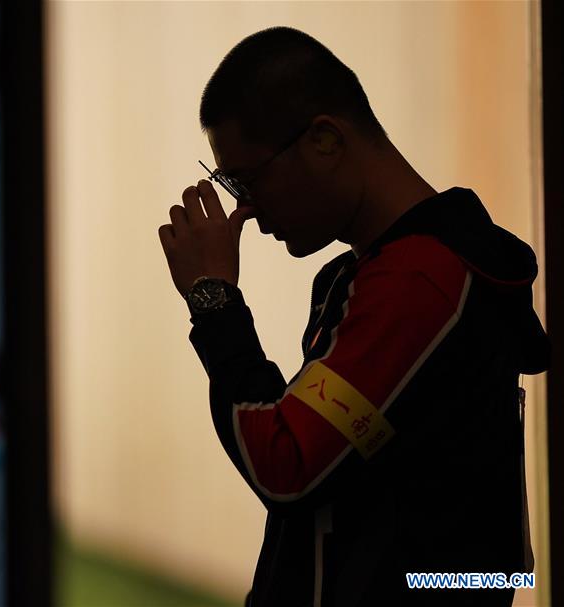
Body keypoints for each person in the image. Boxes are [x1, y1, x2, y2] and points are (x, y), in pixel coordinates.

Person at [157, 26, 551, 607]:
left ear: (324, 139)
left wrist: (212, 299)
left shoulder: (420, 279)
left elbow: (285, 464)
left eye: (248, 180)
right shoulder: (371, 274)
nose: (247, 210)